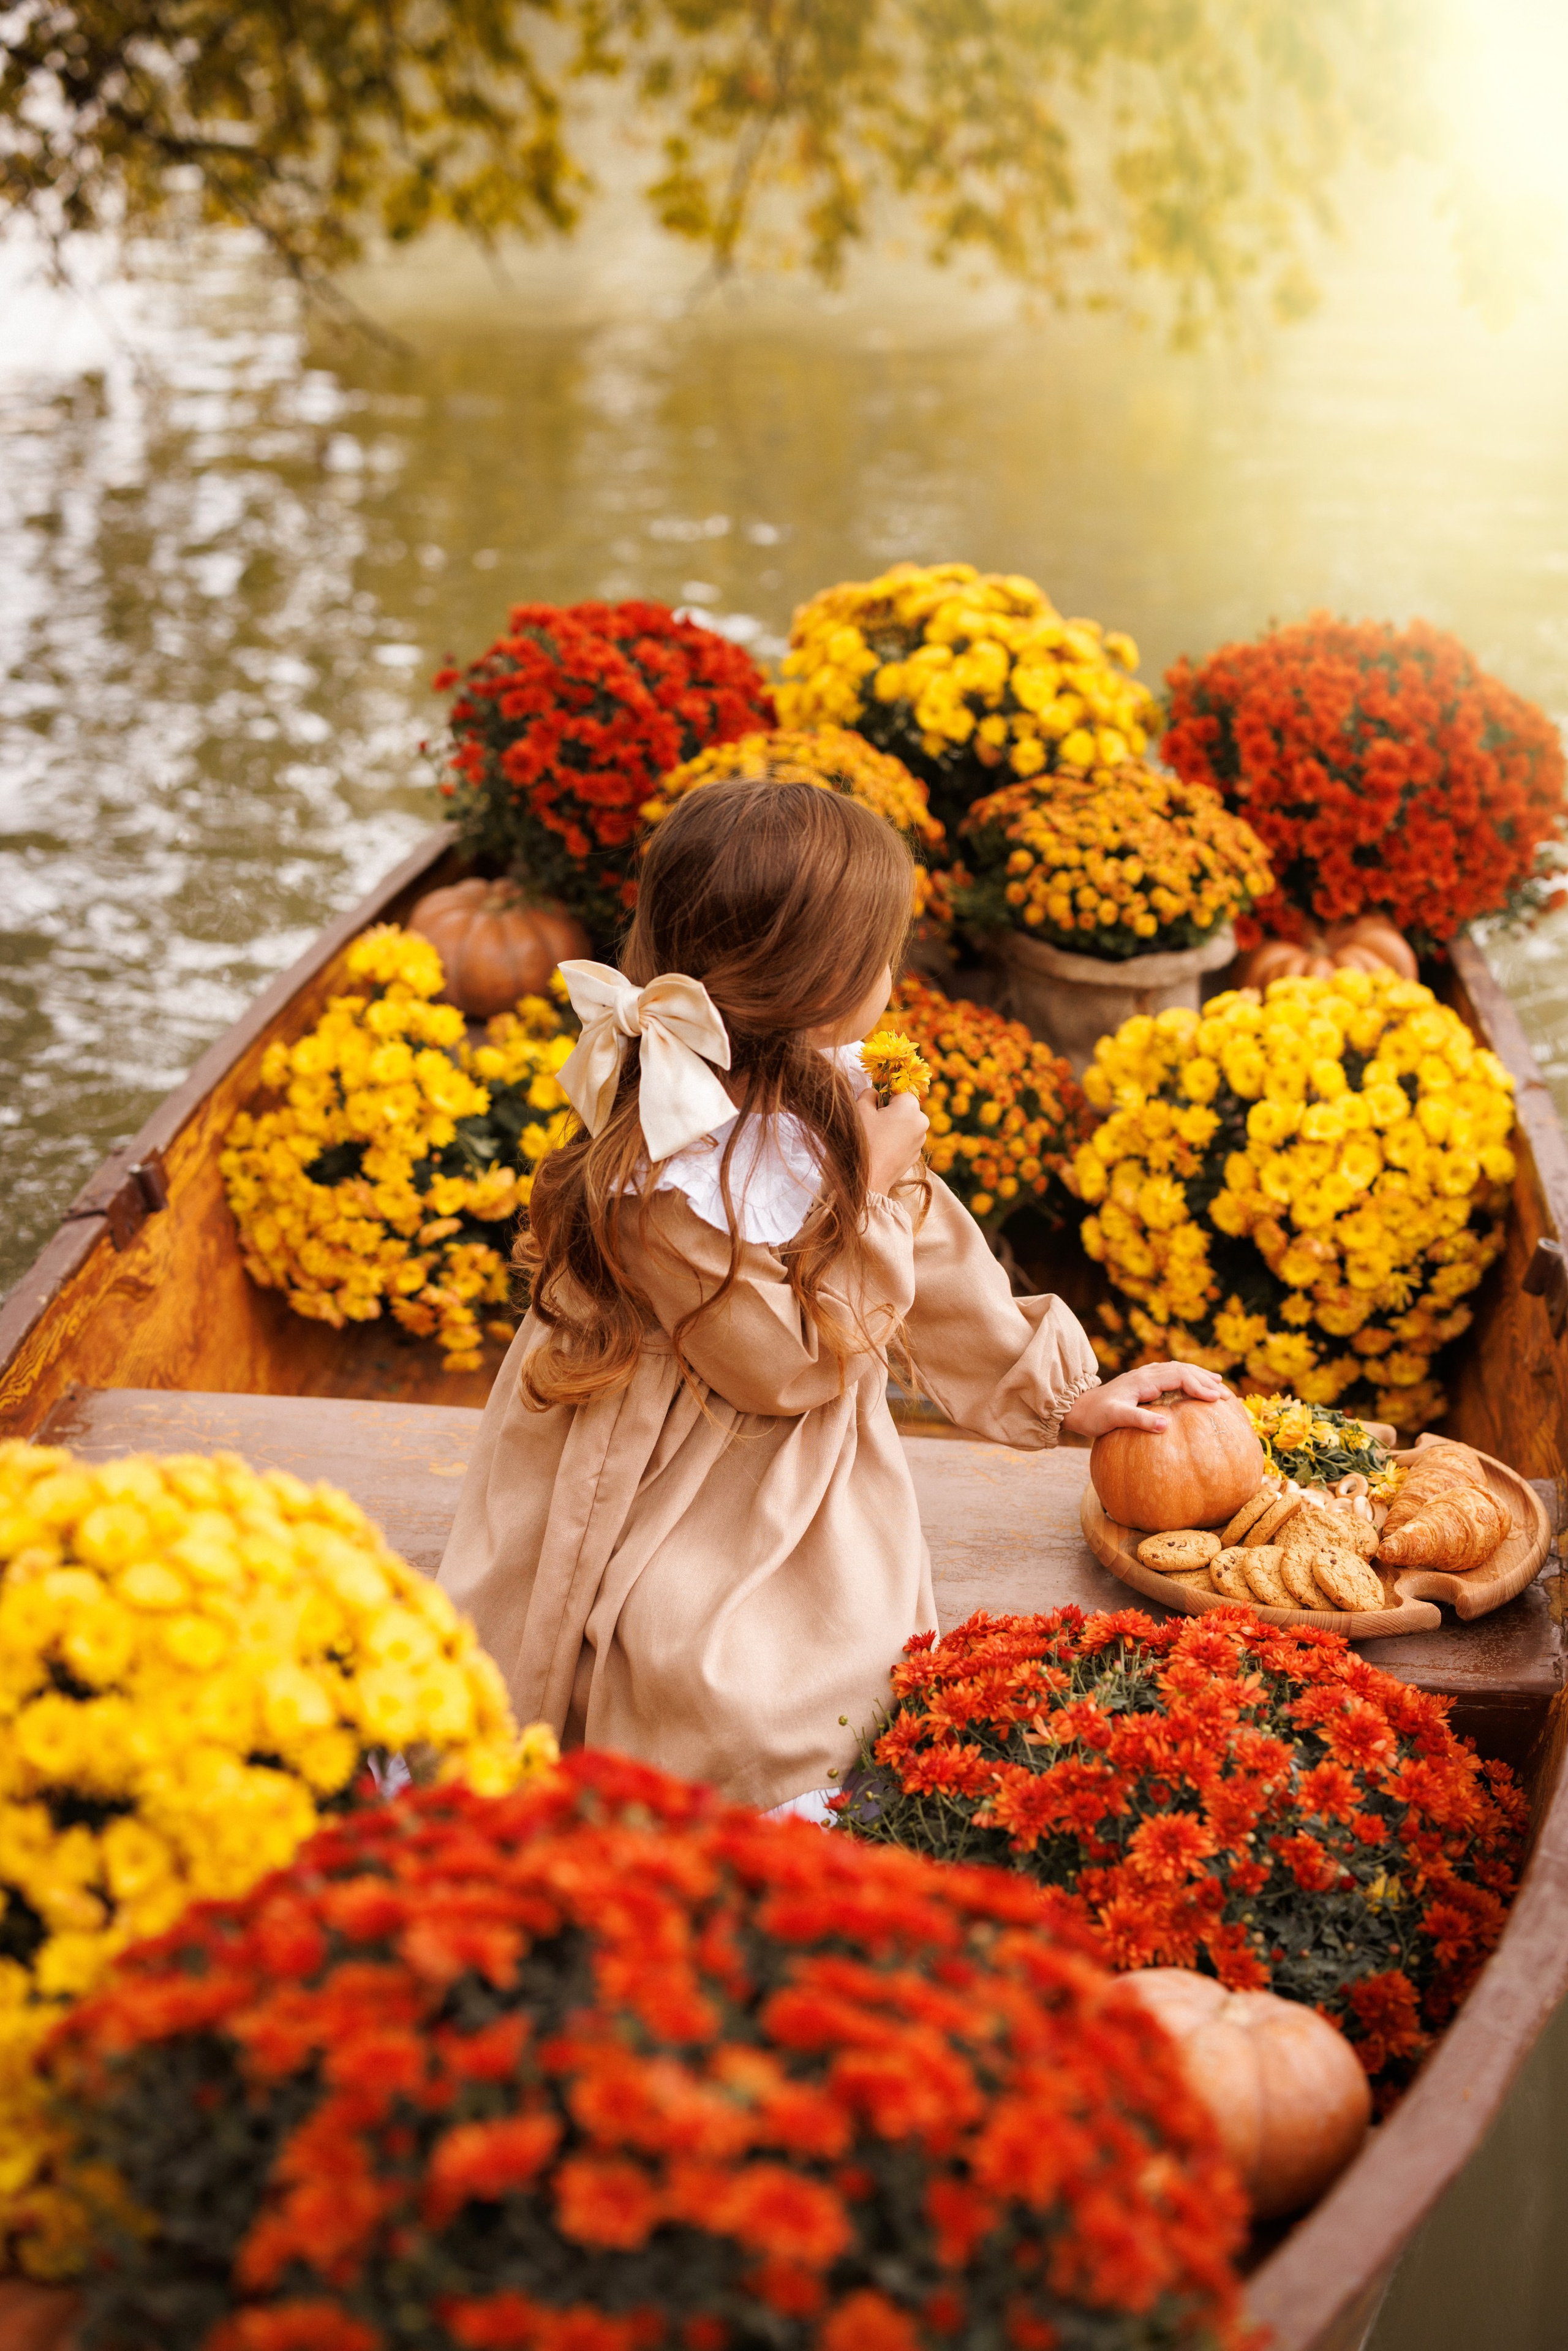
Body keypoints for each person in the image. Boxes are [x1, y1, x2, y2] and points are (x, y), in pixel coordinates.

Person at [439, 775, 1223, 1815]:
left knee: (825, 1660)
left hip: (788, 1462)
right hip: (671, 1466)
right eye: (880, 959)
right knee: (714, 1686)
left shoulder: (837, 1083)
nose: (893, 976)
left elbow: (933, 1256)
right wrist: (863, 1187)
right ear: (811, 986)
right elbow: (781, 1367)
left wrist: (1058, 1394)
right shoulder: (662, 1171)